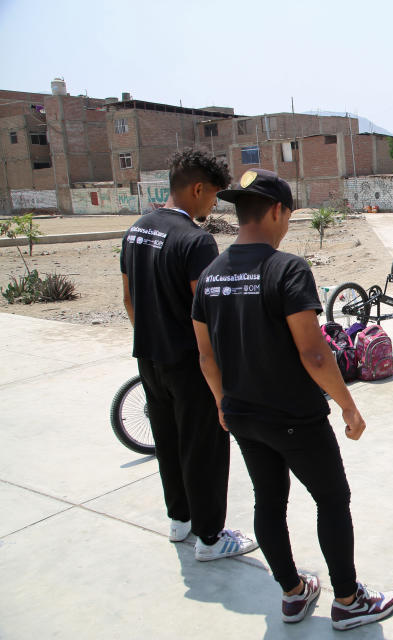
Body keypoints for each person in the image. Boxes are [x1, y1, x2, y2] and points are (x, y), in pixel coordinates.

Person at [191, 168, 393, 629]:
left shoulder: (209, 276)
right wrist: (348, 405)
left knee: (269, 500)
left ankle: (292, 591)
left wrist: (224, 403)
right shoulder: (286, 269)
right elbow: (314, 352)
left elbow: (205, 356)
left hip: (243, 415)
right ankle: (347, 600)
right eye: (289, 214)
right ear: (278, 211)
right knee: (332, 498)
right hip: (294, 417)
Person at [120, 149, 257, 561]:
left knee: (168, 440)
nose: (212, 205)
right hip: (190, 364)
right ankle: (212, 538)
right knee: (205, 447)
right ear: (197, 189)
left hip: (149, 357)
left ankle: (180, 520)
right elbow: (210, 311)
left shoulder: (136, 230)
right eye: (213, 196)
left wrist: (152, 336)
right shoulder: (196, 241)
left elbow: (128, 300)